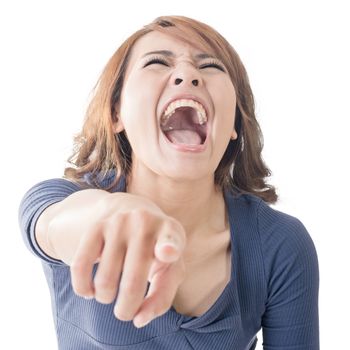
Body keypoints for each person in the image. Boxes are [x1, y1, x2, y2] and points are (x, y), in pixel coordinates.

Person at [18, 15, 319, 350]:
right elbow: (51, 224)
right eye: (158, 62)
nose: (188, 74)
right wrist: (112, 212)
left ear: (234, 120)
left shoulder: (281, 244)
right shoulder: (66, 200)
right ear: (116, 113)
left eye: (210, 67)